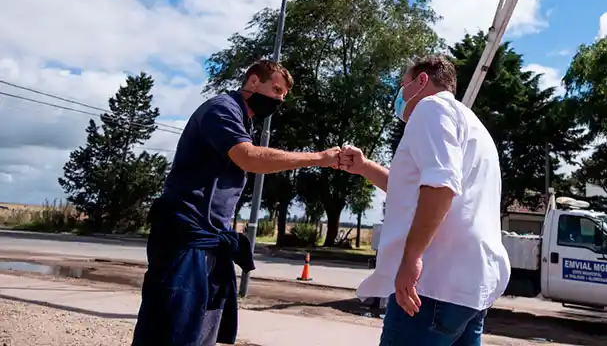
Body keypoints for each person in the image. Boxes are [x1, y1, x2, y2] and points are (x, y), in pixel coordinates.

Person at [132, 60, 340, 346]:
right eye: (276, 89)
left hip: (208, 240)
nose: (280, 99)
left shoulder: (243, 119)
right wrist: (320, 158)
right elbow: (249, 157)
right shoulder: (222, 109)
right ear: (253, 82)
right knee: (171, 332)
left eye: (284, 96)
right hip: (187, 238)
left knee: (198, 334)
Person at [339, 55, 510, 346]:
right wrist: (364, 166)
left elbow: (441, 186)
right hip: (471, 288)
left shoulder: (430, 108)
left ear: (421, 81)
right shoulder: (471, 124)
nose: (400, 95)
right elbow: (414, 189)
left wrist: (411, 257)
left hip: (432, 285)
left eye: (402, 85)